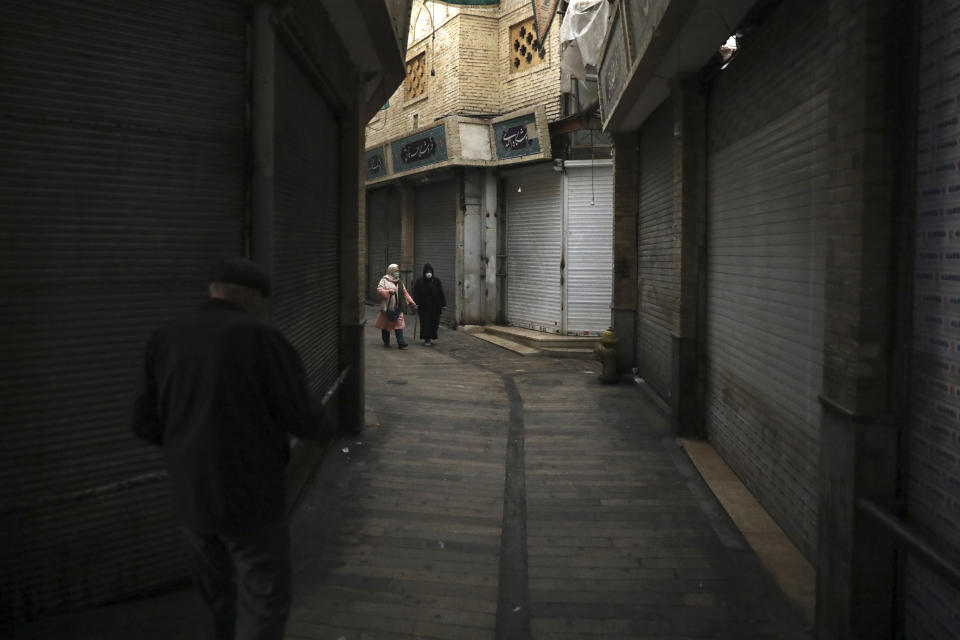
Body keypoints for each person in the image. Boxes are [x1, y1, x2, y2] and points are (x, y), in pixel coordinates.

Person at [131, 257, 332, 640]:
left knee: (217, 598)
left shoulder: (166, 335)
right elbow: (302, 415)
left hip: (191, 494)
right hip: (251, 493)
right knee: (264, 592)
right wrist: (326, 428)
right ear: (250, 295)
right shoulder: (261, 337)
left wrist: (186, 448)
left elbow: (144, 422)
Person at [375, 263, 417, 349]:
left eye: (398, 271)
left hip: (398, 308)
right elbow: (379, 290)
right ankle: (386, 341)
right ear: (391, 271)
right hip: (387, 308)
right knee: (386, 325)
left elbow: (405, 294)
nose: (397, 272)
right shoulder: (384, 280)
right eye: (396, 271)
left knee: (399, 324)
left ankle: (401, 343)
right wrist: (388, 292)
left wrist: (412, 303)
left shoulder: (399, 282)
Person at [412, 263, 446, 346]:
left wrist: (443, 304)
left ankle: (432, 336)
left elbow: (441, 293)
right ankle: (427, 339)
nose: (429, 273)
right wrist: (415, 303)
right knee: (426, 323)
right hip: (424, 307)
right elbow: (416, 294)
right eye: (427, 271)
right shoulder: (420, 282)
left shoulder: (436, 281)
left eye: (430, 271)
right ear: (424, 272)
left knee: (435, 322)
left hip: (435, 306)